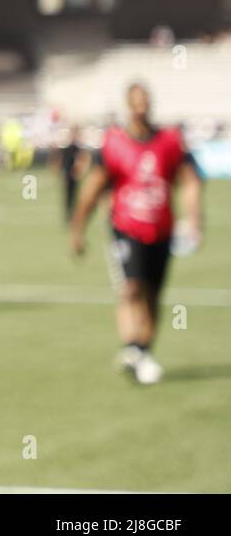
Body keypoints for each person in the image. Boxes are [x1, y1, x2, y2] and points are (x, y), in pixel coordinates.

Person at [70, 83, 203, 385]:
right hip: (126, 228)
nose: (141, 108)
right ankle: (132, 346)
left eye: (146, 102)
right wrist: (77, 227)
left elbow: (190, 181)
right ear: (128, 105)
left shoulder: (169, 142)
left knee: (153, 294)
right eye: (136, 102)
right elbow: (93, 188)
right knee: (131, 287)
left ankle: (143, 348)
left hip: (162, 229)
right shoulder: (114, 143)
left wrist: (194, 220)